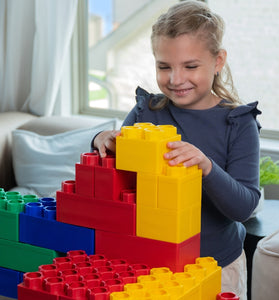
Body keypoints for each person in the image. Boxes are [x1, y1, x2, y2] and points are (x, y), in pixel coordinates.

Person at [92, 1, 261, 299]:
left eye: (190, 66)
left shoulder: (238, 123)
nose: (175, 79)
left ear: (218, 61)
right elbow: (114, 180)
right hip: (148, 263)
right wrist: (101, 141)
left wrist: (206, 167)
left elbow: (244, 207)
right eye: (164, 66)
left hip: (217, 267)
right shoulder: (147, 111)